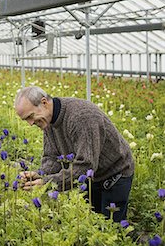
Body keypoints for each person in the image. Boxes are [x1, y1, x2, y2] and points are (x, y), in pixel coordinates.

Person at [15, 86, 134, 222]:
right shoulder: (48, 120)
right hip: (92, 177)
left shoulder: (82, 117)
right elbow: (52, 158)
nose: (30, 123)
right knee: (92, 224)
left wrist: (46, 182)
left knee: (112, 227)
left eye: (30, 116)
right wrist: (39, 174)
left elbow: (85, 166)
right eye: (26, 120)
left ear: (44, 103)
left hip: (114, 174)